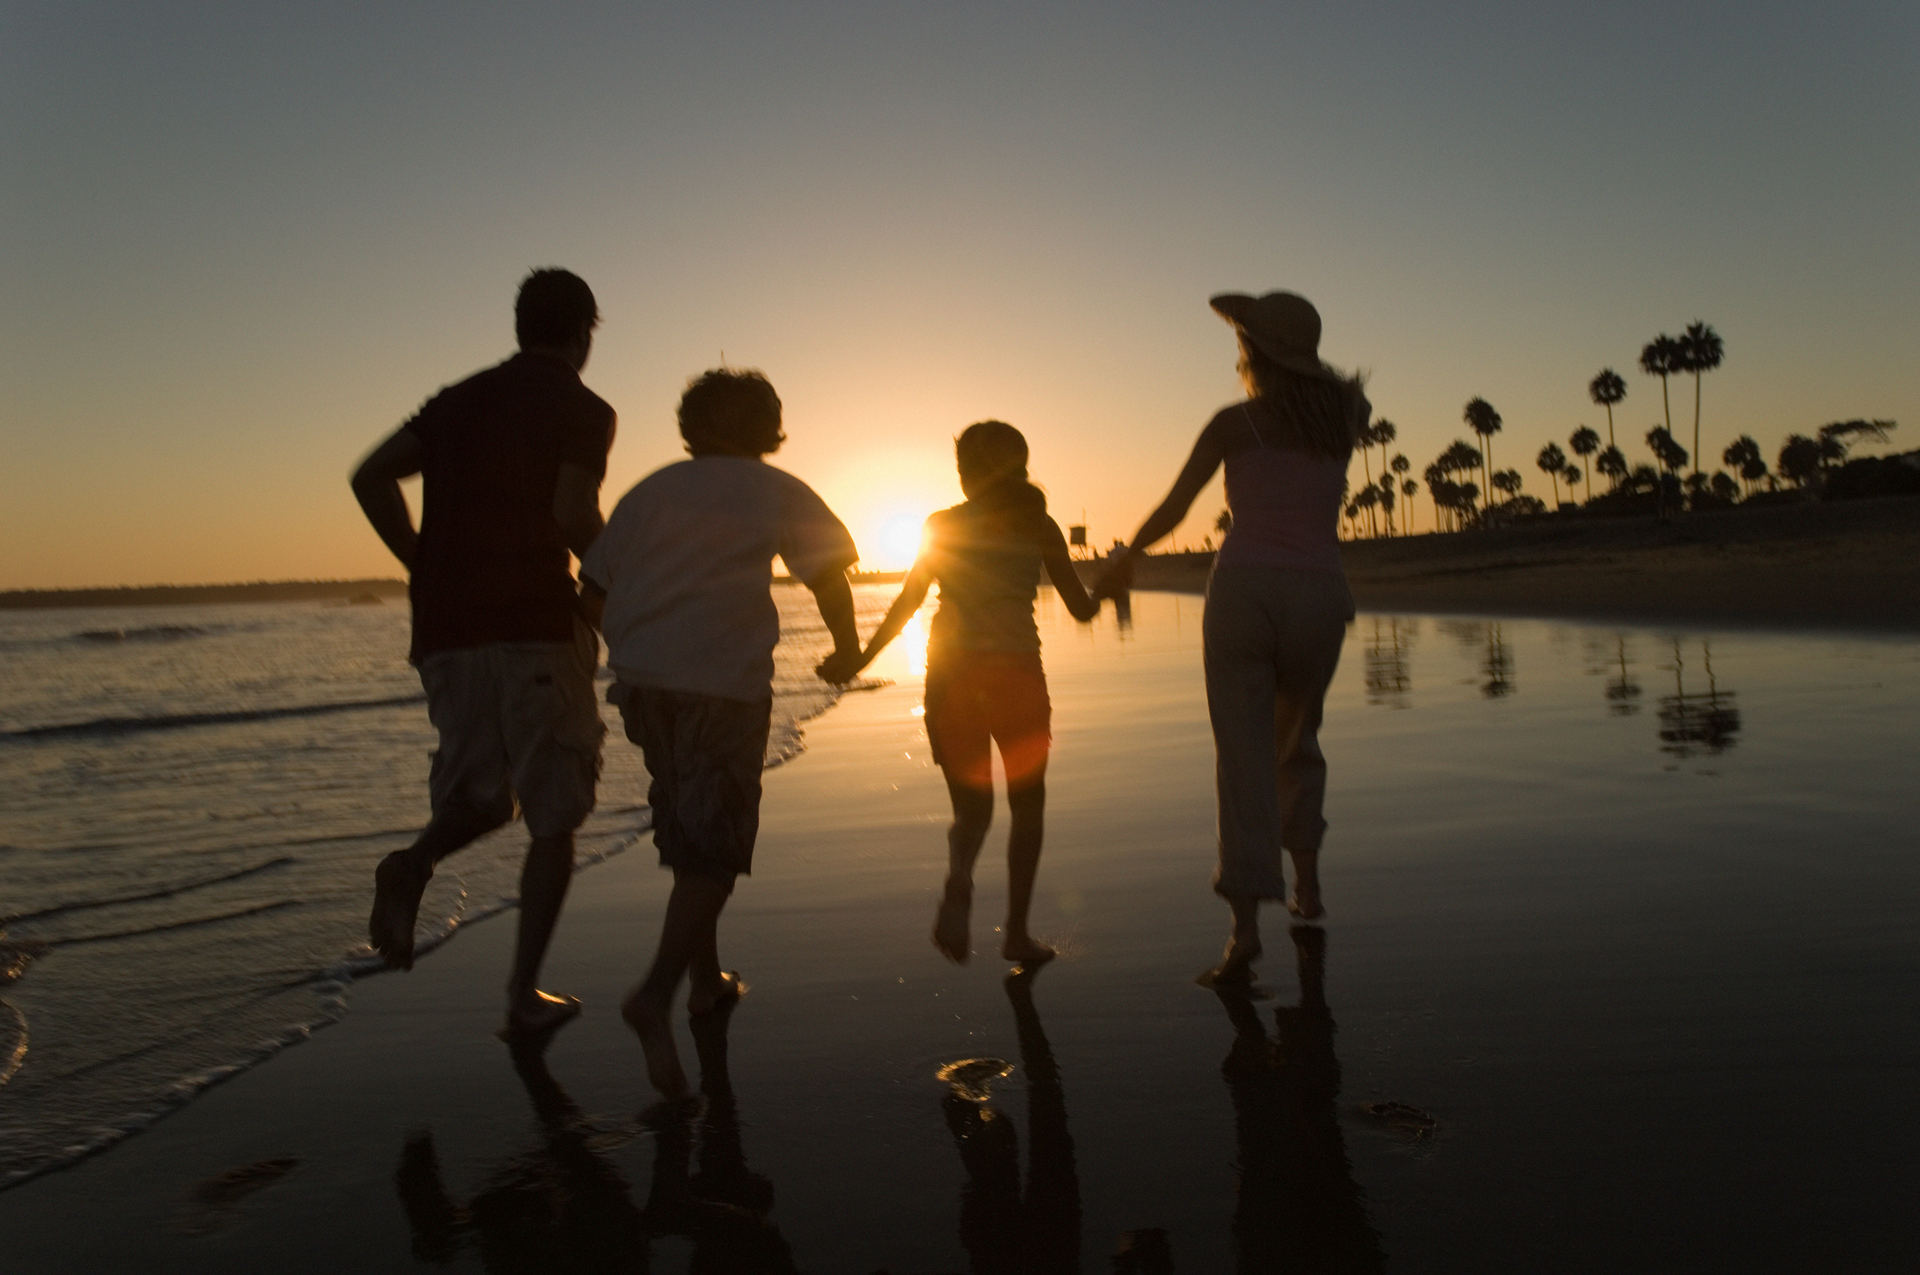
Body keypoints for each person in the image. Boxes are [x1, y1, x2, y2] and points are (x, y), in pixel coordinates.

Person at [581, 368, 859, 1101]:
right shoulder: (774, 489)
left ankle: (706, 981)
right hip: (720, 689)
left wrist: (625, 651)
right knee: (718, 845)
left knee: (686, 823)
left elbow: (594, 589)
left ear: (689, 426)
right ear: (770, 427)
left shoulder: (651, 490)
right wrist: (846, 648)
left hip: (643, 687)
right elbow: (829, 574)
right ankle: (656, 992)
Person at [352, 267, 613, 1040]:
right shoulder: (581, 406)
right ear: (583, 332)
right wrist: (622, 580)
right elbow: (573, 514)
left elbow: (370, 476)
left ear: (520, 325)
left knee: (483, 797)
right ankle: (523, 995)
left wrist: (420, 560)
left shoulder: (458, 399)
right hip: (532, 623)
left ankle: (412, 863)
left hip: (445, 630)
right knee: (554, 815)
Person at [1095, 291, 1366, 984]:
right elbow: (1333, 399)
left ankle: (1244, 931)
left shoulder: (1233, 421)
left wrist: (1124, 560)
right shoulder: (1348, 415)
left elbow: (1176, 506)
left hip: (1244, 592)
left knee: (1242, 757)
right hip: (1317, 594)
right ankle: (1307, 887)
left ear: (1256, 352)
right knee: (1297, 739)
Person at [822, 422, 1098, 966]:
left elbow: (906, 605)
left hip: (951, 678)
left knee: (972, 811)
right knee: (1028, 807)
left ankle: (959, 883)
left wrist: (859, 658)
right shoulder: (1039, 524)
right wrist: (1111, 586)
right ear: (1020, 466)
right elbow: (1082, 610)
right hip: (1017, 677)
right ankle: (1016, 934)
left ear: (966, 474)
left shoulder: (941, 524)